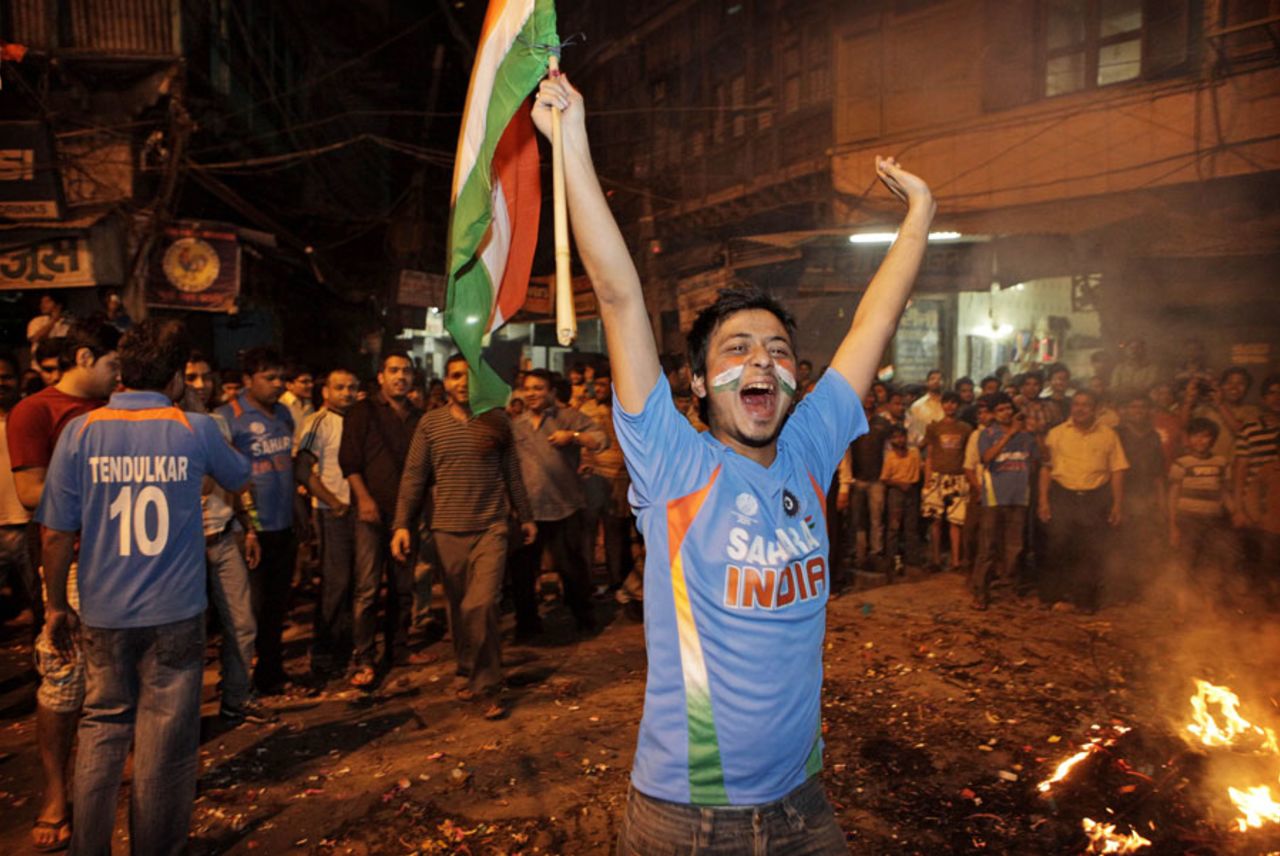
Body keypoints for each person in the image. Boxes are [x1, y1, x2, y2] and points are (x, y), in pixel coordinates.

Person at [533, 71, 934, 850]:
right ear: (696, 379)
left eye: (778, 350)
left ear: (795, 379)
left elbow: (874, 321)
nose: (762, 362)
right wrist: (571, 142)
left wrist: (920, 212)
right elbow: (618, 297)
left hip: (804, 804)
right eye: (739, 348)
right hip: (689, 819)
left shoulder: (811, 451)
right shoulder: (673, 462)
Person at [37, 318, 250, 855]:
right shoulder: (193, 429)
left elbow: (56, 534)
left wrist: (58, 605)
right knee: (164, 745)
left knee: (102, 730)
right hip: (175, 612)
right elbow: (241, 475)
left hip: (104, 613)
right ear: (178, 376)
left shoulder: (80, 432)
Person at [7, 319, 120, 852]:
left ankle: (108, 775)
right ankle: (55, 792)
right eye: (112, 364)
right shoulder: (38, 411)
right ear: (83, 357)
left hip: (121, 559)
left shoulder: (113, 410)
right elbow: (30, 492)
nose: (118, 375)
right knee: (63, 681)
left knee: (116, 677)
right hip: (69, 562)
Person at [391, 354, 535, 717]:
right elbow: (413, 477)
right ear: (446, 382)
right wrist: (401, 525)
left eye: (469, 377)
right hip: (446, 529)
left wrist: (526, 516)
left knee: (481, 603)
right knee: (459, 607)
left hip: (491, 526)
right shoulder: (431, 424)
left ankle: (488, 685)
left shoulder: (496, 420)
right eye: (455, 376)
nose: (462, 383)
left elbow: (513, 474)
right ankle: (466, 667)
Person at [184, 352, 272, 724]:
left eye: (206, 377)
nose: (200, 385)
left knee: (242, 623)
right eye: (191, 377)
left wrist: (247, 526)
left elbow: (236, 481)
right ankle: (181, 718)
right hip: (184, 546)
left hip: (222, 536)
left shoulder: (217, 423)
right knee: (189, 635)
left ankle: (236, 698)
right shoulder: (165, 426)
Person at [338, 351, 423, 687]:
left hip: (406, 513)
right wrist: (363, 499)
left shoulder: (418, 417)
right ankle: (363, 657)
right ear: (381, 378)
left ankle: (399, 648)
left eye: (406, 370)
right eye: (394, 371)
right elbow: (350, 461)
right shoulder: (363, 411)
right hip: (371, 512)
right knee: (368, 588)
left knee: (403, 585)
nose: (400, 376)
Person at [217, 347, 297, 694]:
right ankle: (234, 684)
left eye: (281, 377)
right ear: (248, 380)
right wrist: (246, 526)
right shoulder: (228, 418)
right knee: (244, 612)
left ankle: (270, 674)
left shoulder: (284, 414)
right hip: (251, 530)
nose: (278, 384)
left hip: (283, 524)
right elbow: (227, 480)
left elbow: (288, 467)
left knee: (276, 606)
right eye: (270, 378)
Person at [510, 369, 607, 638]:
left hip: (565, 508)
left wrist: (574, 438)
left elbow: (601, 440)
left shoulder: (569, 418)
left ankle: (584, 620)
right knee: (523, 574)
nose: (532, 393)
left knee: (571, 569)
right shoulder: (516, 425)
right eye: (527, 388)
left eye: (539, 388)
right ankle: (527, 627)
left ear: (552, 392)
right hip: (528, 512)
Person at [1038, 391, 1129, 612]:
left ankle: (1084, 600)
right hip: (1063, 495)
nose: (1080, 409)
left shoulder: (1108, 435)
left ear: (1095, 409)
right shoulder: (1057, 433)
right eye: (1076, 404)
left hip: (1095, 497)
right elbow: (1046, 468)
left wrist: (1117, 504)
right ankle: (1052, 597)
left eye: (1086, 405)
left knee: (1090, 550)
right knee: (1058, 546)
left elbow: (1117, 470)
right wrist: (1043, 501)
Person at [295, 369, 360, 680]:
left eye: (351, 388)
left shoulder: (358, 420)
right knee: (336, 584)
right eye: (340, 388)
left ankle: (347, 650)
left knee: (356, 585)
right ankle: (324, 652)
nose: (346, 393)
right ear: (326, 392)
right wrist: (333, 502)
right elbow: (303, 468)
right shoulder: (318, 422)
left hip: (358, 512)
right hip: (332, 513)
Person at [969, 394, 1038, 609]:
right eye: (1001, 409)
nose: (1006, 413)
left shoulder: (1026, 437)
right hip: (994, 497)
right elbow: (986, 458)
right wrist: (1009, 435)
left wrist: (1034, 431)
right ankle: (980, 592)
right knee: (988, 546)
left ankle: (1008, 590)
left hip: (1019, 497)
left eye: (1009, 408)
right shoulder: (987, 434)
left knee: (1014, 547)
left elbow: (1037, 461)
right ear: (993, 414)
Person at [0, 353, 38, 630]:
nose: (1, 383)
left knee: (39, 601)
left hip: (28, 524)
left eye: (6, 377)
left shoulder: (29, 417)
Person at [1168, 418, 1230, 577]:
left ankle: (1206, 597)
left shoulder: (1221, 462)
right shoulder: (1181, 463)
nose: (1200, 441)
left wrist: (1236, 511)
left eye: (1205, 436)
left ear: (1213, 439)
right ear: (1188, 439)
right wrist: (1173, 526)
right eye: (1195, 436)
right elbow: (1173, 495)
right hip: (1188, 519)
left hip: (1213, 519)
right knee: (1186, 560)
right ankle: (1182, 596)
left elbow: (1225, 491)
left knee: (1211, 560)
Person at [921, 391, 972, 571]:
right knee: (935, 520)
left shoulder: (965, 429)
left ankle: (956, 560)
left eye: (954, 403)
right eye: (947, 403)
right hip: (937, 476)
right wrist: (927, 480)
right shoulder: (934, 427)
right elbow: (929, 454)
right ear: (942, 405)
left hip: (958, 477)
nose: (950, 406)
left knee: (956, 521)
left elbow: (968, 455)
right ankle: (935, 558)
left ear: (958, 405)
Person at [905, 369, 944, 447]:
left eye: (939, 379)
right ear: (927, 382)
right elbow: (913, 429)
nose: (936, 381)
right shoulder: (917, 406)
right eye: (932, 379)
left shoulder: (947, 405)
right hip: (923, 446)